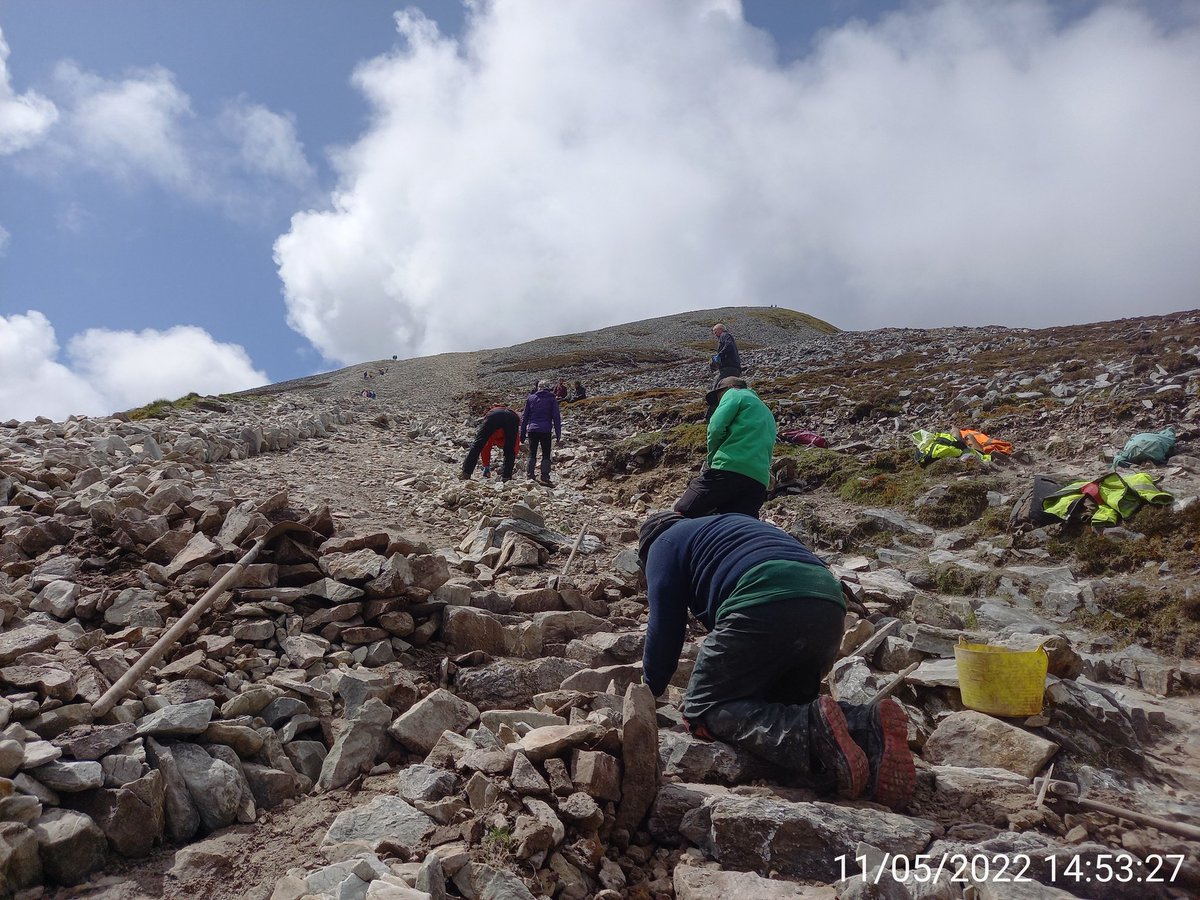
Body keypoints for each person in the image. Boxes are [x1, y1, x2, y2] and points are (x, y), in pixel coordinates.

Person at [637, 510, 915, 810]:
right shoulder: (725, 526)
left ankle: (810, 729)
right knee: (779, 707)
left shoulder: (661, 543)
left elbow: (665, 625)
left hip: (764, 598)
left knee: (705, 708)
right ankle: (865, 725)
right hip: (827, 606)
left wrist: (648, 692)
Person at [674, 377, 775, 518]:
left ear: (730, 387)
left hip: (730, 468)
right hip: (759, 481)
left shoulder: (734, 393)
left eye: (719, 396)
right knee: (737, 525)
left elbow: (716, 427)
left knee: (684, 510)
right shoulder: (765, 410)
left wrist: (712, 459)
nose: (719, 401)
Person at [461, 406, 521, 482]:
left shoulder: (492, 433)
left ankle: (466, 472)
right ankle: (506, 477)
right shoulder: (497, 435)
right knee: (510, 450)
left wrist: (486, 466)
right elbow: (514, 448)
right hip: (513, 417)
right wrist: (486, 466)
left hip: (494, 415)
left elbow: (484, 447)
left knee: (478, 445)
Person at [521, 381, 562, 486]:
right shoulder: (552, 399)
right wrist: (558, 433)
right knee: (546, 453)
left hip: (532, 429)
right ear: (548, 388)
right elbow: (556, 417)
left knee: (532, 452)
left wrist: (522, 433)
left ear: (538, 388)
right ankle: (545, 477)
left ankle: (530, 475)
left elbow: (524, 417)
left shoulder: (531, 398)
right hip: (546, 430)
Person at [710, 323, 742, 389]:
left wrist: (720, 355)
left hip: (728, 368)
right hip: (735, 368)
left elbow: (729, 345)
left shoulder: (724, 335)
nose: (714, 333)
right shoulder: (725, 336)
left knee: (717, 386)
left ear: (721, 329)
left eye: (715, 330)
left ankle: (714, 399)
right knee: (730, 387)